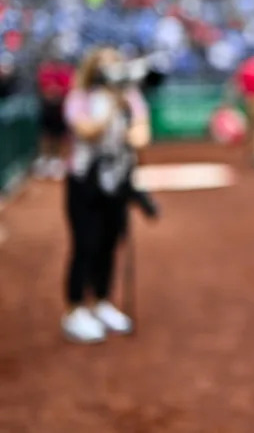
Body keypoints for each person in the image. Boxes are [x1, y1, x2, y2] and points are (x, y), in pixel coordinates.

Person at [60, 47, 154, 344]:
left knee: (112, 241)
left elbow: (141, 135)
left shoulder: (131, 98)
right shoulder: (80, 99)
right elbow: (87, 132)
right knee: (85, 243)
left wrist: (128, 117)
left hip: (117, 181)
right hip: (84, 180)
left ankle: (102, 301)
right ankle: (75, 308)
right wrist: (112, 106)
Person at [35, 53, 74, 180]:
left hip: (61, 109)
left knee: (61, 136)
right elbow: (42, 88)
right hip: (47, 109)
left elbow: (69, 87)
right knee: (46, 135)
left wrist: (58, 92)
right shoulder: (46, 71)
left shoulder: (66, 71)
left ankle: (58, 162)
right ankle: (45, 160)